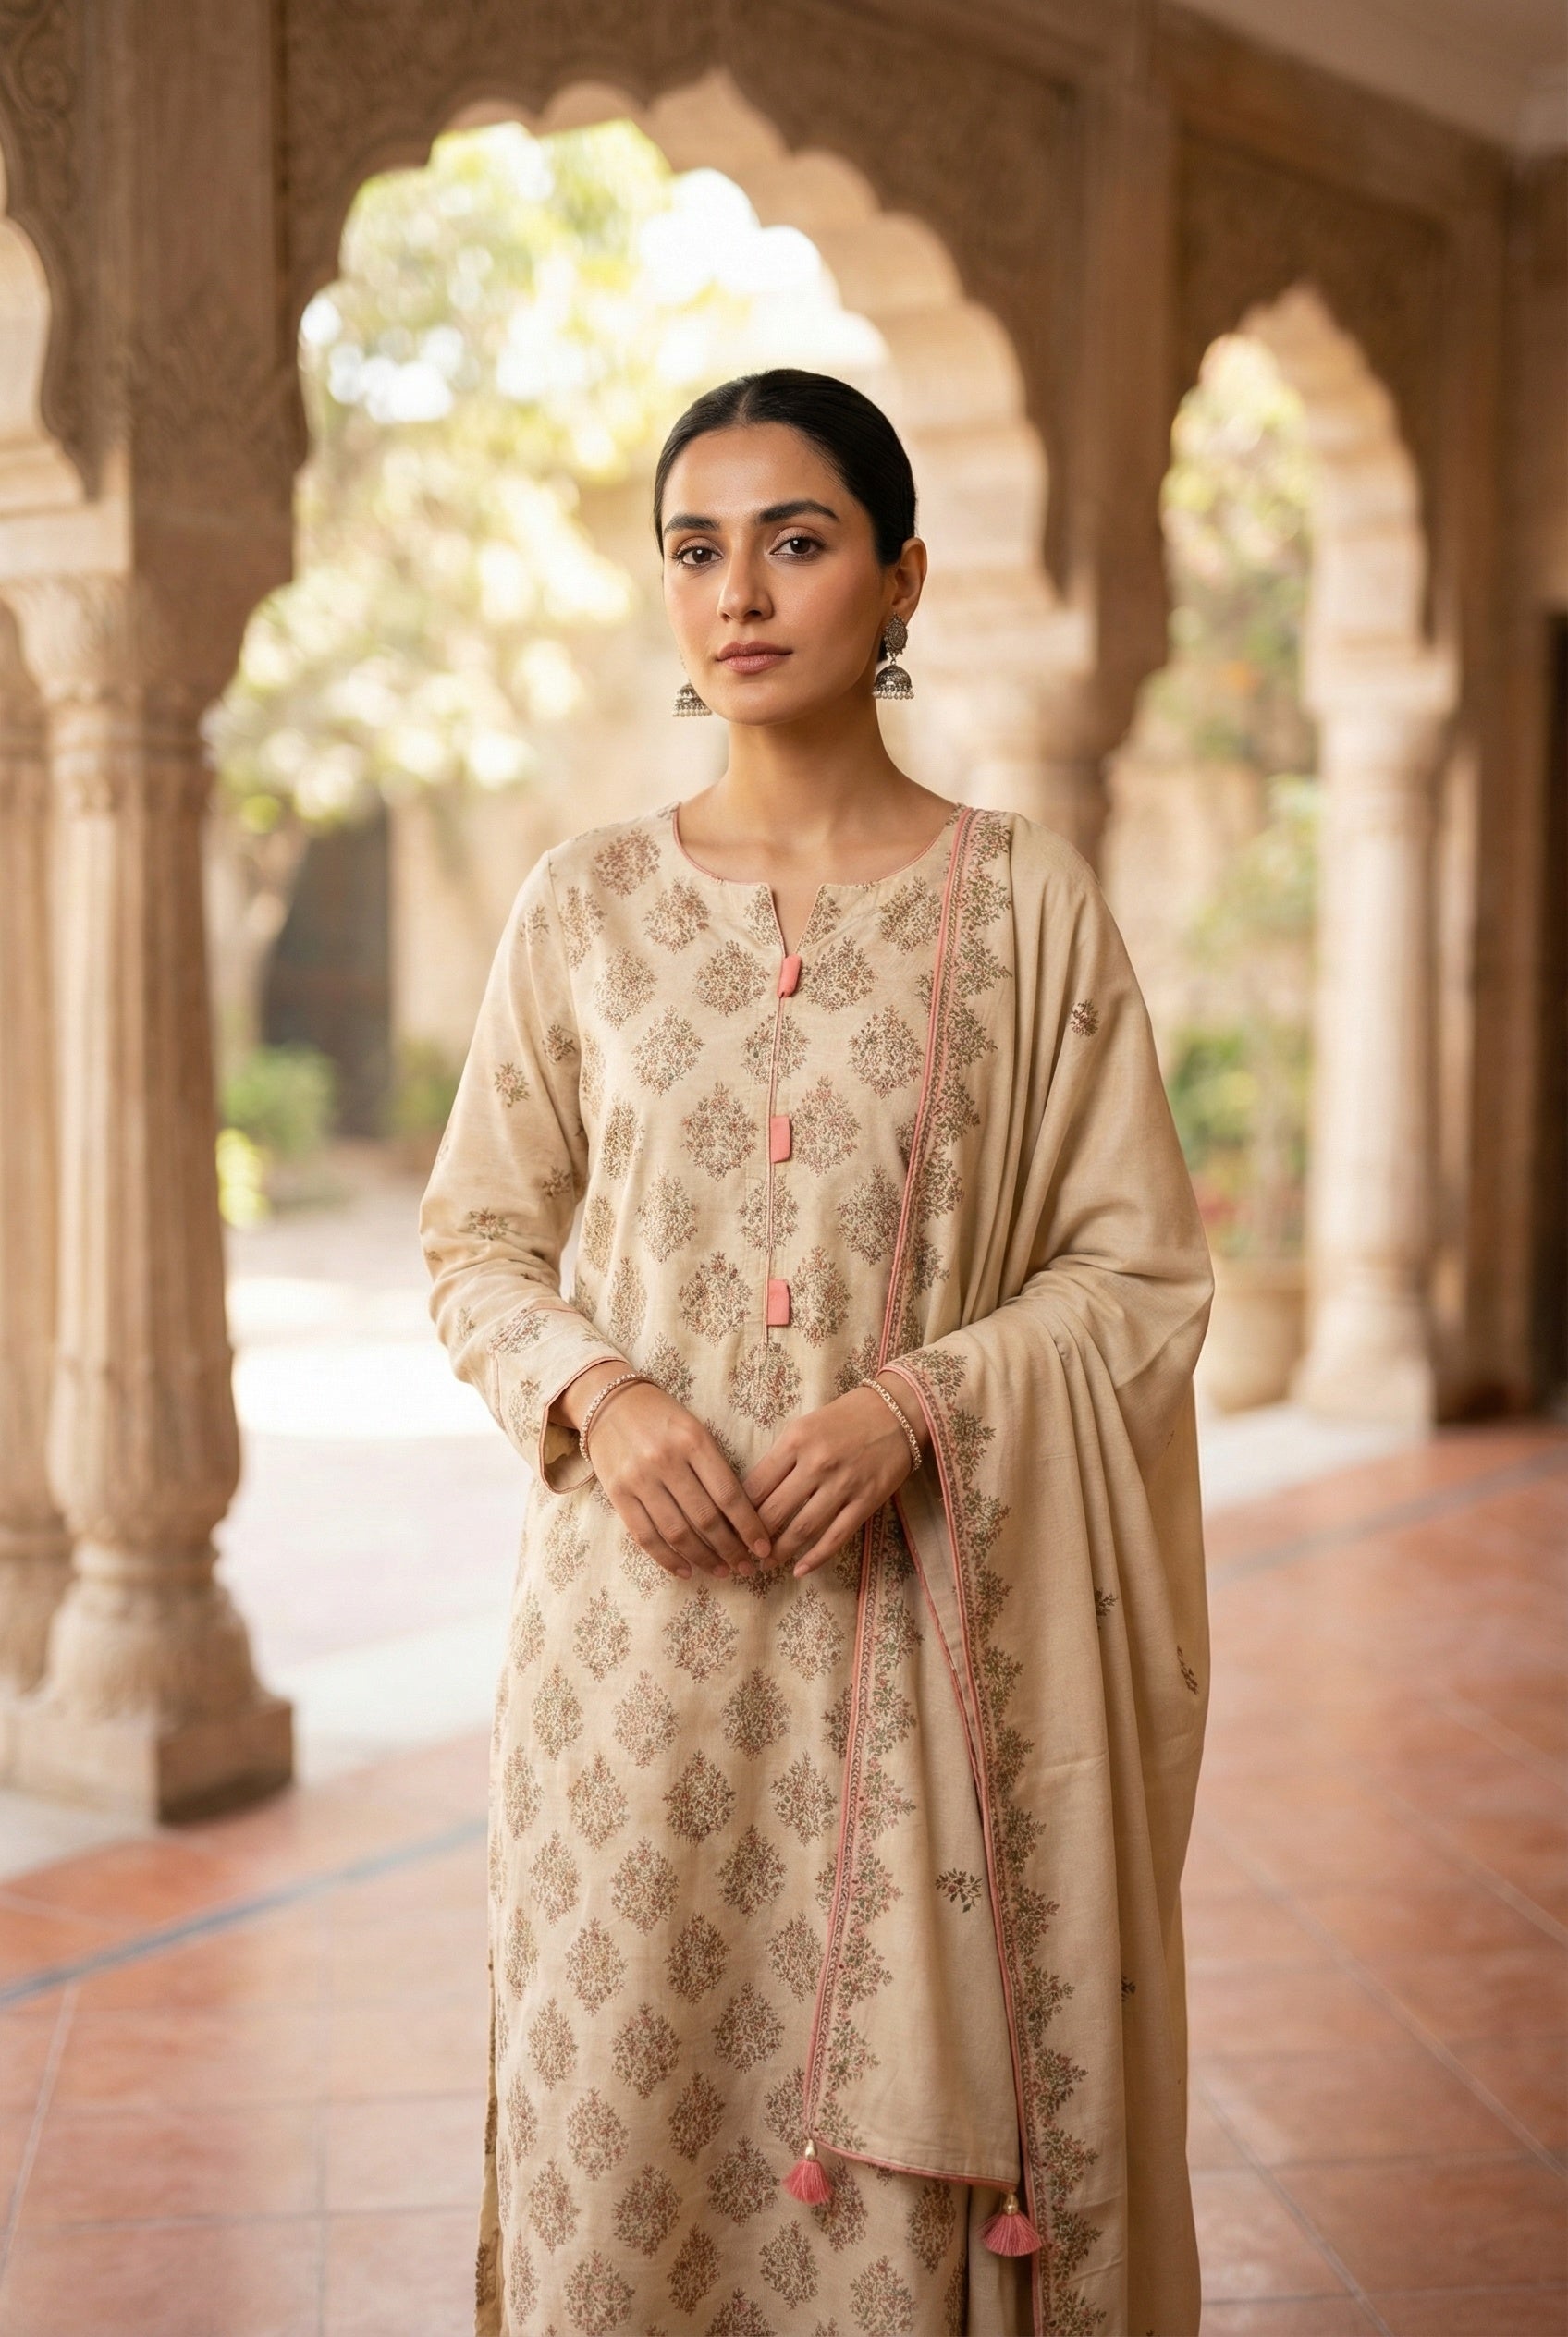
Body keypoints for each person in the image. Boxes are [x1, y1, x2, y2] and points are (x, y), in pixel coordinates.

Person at [421, 368, 1214, 2337]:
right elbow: (476, 1242)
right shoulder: (583, 907)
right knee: (628, 2145)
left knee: (886, 2208)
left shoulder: (1021, 907)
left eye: (796, 539)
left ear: (900, 578)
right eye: (695, 548)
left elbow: (1137, 1274)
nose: (737, 592)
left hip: (927, 1668)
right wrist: (596, 1397)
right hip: (632, 1684)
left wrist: (916, 1404)